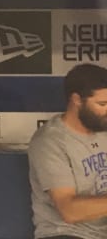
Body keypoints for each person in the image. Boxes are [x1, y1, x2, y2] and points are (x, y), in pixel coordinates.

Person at [29, 63, 107, 238]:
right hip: (66, 233)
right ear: (77, 100)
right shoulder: (50, 141)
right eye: (102, 104)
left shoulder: (103, 128)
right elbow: (69, 211)